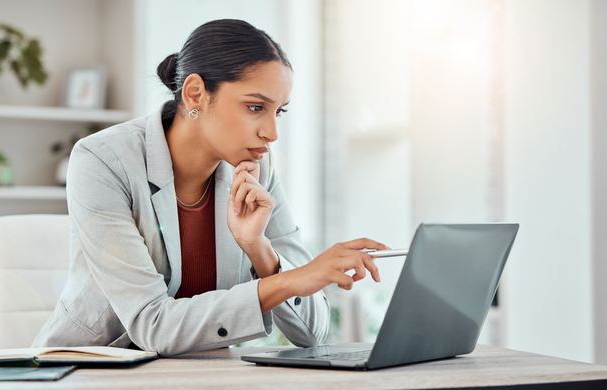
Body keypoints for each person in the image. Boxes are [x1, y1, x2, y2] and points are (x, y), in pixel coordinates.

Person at [32, 19, 387, 356]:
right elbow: (152, 325)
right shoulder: (103, 160)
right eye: (254, 107)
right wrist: (290, 280)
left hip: (204, 376)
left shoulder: (259, 168)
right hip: (90, 371)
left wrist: (260, 250)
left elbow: (312, 333)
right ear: (196, 93)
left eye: (278, 112)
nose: (271, 132)